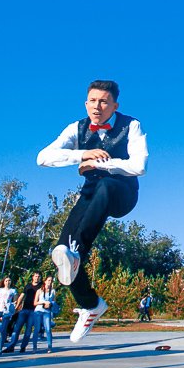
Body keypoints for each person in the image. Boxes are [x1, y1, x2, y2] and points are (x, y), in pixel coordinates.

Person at [37, 79, 148, 343]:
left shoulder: (131, 125)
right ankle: (91, 304)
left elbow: (139, 166)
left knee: (105, 188)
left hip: (121, 192)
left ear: (114, 106)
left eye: (104, 102)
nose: (97, 107)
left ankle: (78, 252)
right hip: (90, 195)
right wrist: (82, 155)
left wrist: (101, 164)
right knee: (61, 252)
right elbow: (43, 157)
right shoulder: (77, 128)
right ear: (86, 103)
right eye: (93, 101)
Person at [2, 272, 42, 353]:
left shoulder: (41, 287)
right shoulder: (28, 286)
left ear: (40, 278)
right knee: (17, 328)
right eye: (35, 276)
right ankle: (11, 346)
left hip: (34, 311)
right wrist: (16, 308)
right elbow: (21, 296)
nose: (37, 278)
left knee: (28, 330)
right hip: (24, 310)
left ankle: (23, 347)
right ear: (33, 277)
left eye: (38, 276)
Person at [33, 276, 57, 353]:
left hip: (47, 311)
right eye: (48, 280)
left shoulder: (53, 291)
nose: (50, 282)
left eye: (51, 280)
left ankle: (49, 347)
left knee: (48, 329)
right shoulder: (39, 291)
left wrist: (50, 304)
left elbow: (54, 302)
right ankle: (34, 347)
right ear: (45, 281)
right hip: (38, 311)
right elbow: (35, 303)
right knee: (37, 329)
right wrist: (43, 303)